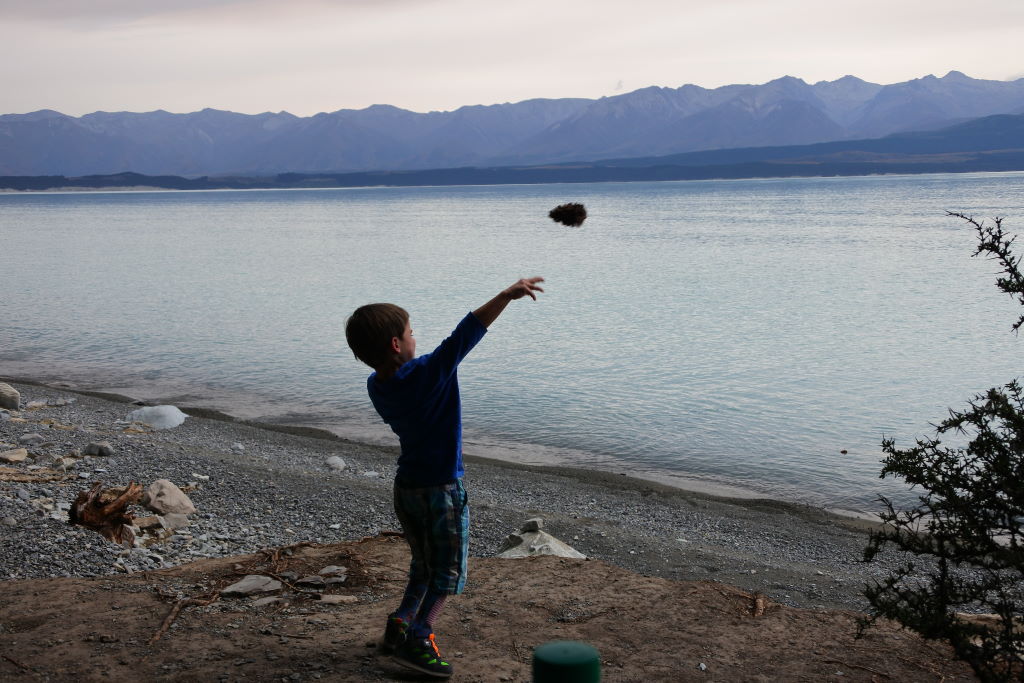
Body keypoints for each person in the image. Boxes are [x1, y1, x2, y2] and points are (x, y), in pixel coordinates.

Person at [344, 277, 545, 678]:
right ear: (396, 346)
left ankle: (400, 623)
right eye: (411, 333)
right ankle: (419, 637)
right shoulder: (429, 374)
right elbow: (466, 333)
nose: (416, 338)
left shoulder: (376, 385)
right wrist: (506, 295)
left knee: (423, 563)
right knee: (448, 571)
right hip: (441, 490)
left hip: (408, 489)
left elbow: (454, 342)